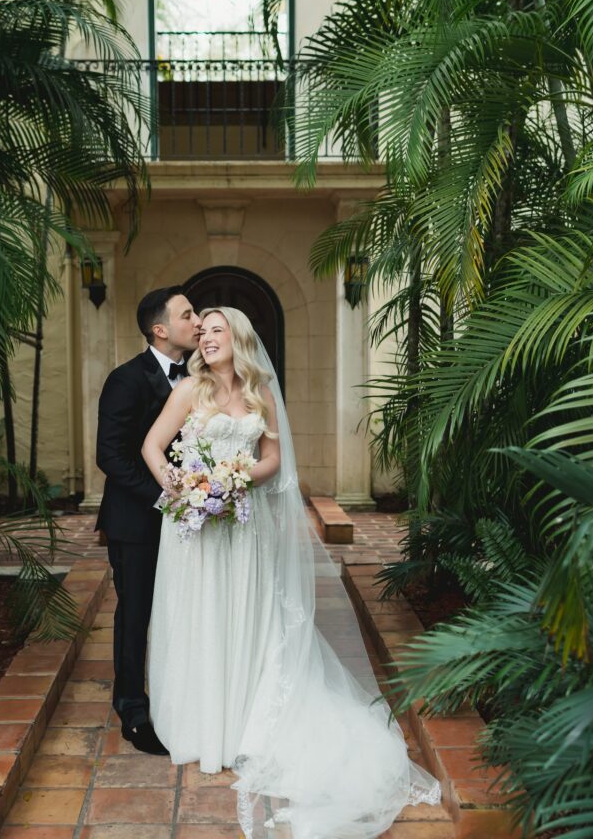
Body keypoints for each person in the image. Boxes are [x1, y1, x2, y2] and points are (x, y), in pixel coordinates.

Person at [141, 306, 441, 838]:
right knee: (204, 617)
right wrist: (183, 487)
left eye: (217, 331)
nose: (207, 339)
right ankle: (204, 722)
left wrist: (234, 480)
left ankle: (246, 720)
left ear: (239, 340)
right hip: (196, 534)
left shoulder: (260, 395)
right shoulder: (190, 391)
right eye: (202, 332)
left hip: (243, 527)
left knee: (246, 617)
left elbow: (273, 461)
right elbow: (152, 446)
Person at [95, 286, 201, 754]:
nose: (196, 321)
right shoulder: (126, 379)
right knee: (136, 614)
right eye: (187, 314)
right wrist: (164, 498)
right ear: (160, 330)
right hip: (137, 521)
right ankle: (133, 710)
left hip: (192, 520)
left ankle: (184, 698)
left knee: (183, 611)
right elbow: (111, 456)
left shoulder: (201, 376)